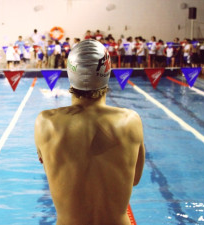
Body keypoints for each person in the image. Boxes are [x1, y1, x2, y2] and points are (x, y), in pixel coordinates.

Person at [35, 39, 145, 225]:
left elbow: (53, 174)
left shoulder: (46, 123)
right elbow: (134, 179)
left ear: (70, 72)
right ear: (107, 71)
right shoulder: (130, 121)